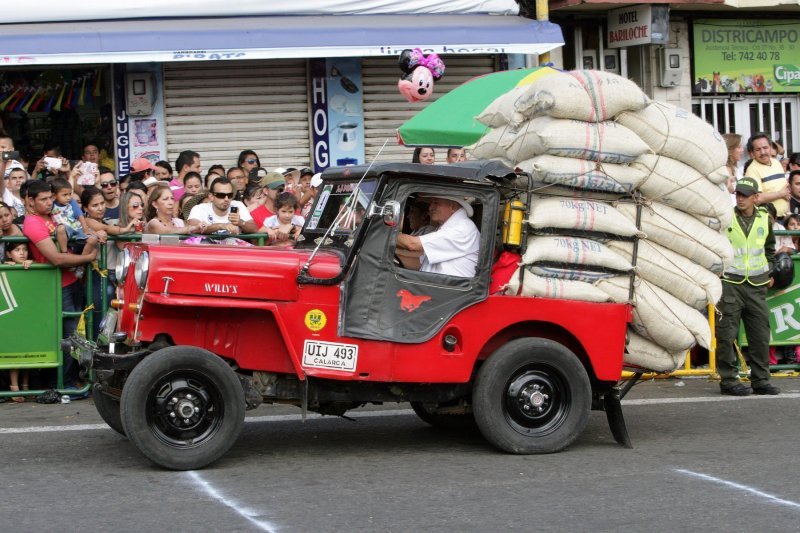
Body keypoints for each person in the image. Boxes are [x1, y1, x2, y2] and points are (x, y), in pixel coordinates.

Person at [22, 180, 103, 389]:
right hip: (56, 287)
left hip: (71, 281)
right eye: (43, 199)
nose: (49, 202)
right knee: (69, 336)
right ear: (30, 201)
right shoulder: (33, 222)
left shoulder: (54, 216)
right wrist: (88, 258)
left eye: (50, 197)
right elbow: (56, 259)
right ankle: (63, 384)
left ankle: (69, 381)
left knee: (76, 335)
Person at [716, 177, 779, 396]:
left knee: (760, 334)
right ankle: (728, 380)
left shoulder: (764, 219)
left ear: (756, 198)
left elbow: (770, 248)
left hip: (756, 285)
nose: (740, 198)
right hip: (731, 283)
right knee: (727, 334)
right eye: (738, 194)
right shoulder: (727, 218)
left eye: (745, 195)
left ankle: (761, 380)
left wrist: (769, 269)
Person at [396, 194, 479, 278]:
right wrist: (393, 257)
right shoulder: (449, 227)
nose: (430, 208)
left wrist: (387, 235)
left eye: (435, 202)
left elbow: (412, 244)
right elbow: (421, 264)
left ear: (452, 205)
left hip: (448, 289)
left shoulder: (461, 228)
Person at [3, 241, 32, 402]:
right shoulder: (6, 266)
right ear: (8, 254)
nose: (22, 253)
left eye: (25, 250)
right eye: (17, 250)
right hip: (13, 314)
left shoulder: (32, 265)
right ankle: (14, 386)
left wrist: (32, 263)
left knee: (28, 348)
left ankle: (26, 385)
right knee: (15, 348)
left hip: (28, 311)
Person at [187, 177, 257, 234]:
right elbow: (193, 228)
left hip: (232, 249)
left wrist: (241, 223)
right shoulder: (200, 209)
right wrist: (220, 226)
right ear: (211, 196)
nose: (226, 199)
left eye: (229, 195)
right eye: (221, 195)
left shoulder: (237, 205)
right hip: (208, 249)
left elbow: (254, 228)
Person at [745, 133, 790, 217]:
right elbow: (756, 198)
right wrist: (780, 194)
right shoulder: (752, 170)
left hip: (785, 217)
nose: (763, 152)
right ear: (752, 152)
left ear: (770, 147)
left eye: (765, 148)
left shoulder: (776, 163)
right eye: (758, 149)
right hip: (767, 219)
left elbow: (786, 191)